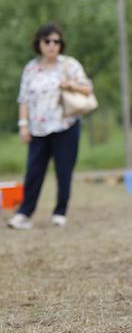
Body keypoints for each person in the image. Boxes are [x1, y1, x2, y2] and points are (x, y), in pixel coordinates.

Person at [8, 24, 93, 230]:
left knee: (64, 171)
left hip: (66, 126)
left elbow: (87, 88)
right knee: (34, 171)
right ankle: (24, 214)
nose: (52, 45)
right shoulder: (31, 68)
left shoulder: (69, 65)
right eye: (47, 41)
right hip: (38, 129)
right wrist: (23, 125)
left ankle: (60, 212)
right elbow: (24, 99)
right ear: (39, 44)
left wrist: (69, 85)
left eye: (56, 41)